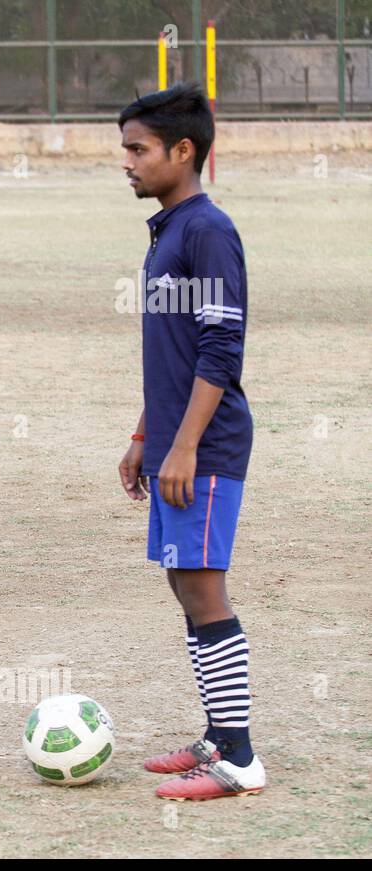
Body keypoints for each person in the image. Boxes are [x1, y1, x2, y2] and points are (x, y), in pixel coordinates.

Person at [116, 83, 263, 801]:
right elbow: (169, 353)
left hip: (206, 445)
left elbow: (219, 347)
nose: (126, 162)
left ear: (184, 151)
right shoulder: (167, 231)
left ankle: (238, 757)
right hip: (177, 439)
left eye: (138, 149)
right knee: (184, 582)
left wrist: (185, 447)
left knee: (204, 586)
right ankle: (216, 732)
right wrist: (148, 433)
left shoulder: (207, 229)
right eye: (125, 149)